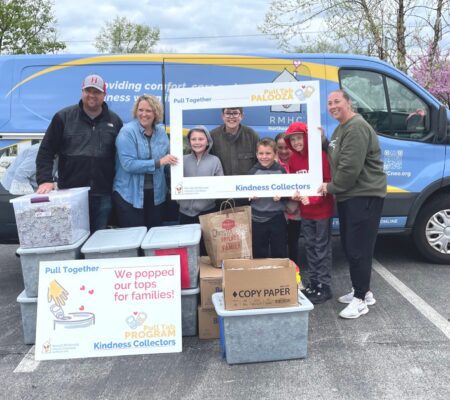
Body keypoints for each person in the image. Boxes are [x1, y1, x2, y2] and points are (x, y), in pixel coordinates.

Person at [318, 90, 387, 318]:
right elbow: (337, 154)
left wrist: (328, 187)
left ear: (349, 103)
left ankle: (360, 301)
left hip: (363, 195)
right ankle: (363, 291)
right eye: (329, 103)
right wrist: (324, 142)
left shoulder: (356, 127)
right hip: (351, 196)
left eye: (337, 101)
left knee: (358, 248)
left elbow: (349, 167)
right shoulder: (341, 128)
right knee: (353, 246)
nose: (333, 106)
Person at [36, 74, 123, 232]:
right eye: (88, 90)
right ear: (82, 92)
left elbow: (122, 157)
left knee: (99, 242)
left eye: (96, 92)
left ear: (104, 95)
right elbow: (46, 151)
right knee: (70, 238)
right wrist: (44, 180)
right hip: (70, 193)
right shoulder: (63, 117)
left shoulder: (115, 121)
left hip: (102, 194)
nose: (91, 95)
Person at [285, 122, 334, 304]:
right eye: (293, 139)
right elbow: (295, 183)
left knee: (322, 248)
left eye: (299, 138)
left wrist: (312, 199)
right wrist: (296, 194)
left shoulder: (320, 156)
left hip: (322, 210)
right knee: (310, 247)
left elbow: (327, 183)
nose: (296, 142)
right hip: (306, 212)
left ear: (307, 137)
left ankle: (324, 286)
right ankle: (314, 283)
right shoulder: (293, 159)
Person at [113, 94, 177, 229]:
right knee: (133, 238)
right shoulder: (127, 132)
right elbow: (128, 164)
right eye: (140, 110)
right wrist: (158, 163)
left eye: (148, 110)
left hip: (156, 195)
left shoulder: (161, 131)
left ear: (156, 113)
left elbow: (167, 159)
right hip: (130, 196)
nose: (144, 114)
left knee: (154, 238)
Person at [178, 125, 223, 255]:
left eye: (201, 139)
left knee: (205, 249)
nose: (197, 142)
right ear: (189, 141)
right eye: (194, 139)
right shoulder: (182, 160)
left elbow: (220, 184)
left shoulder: (215, 161)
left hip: (206, 212)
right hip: (185, 213)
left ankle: (205, 275)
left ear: (207, 141)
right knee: (187, 249)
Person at [248, 137, 287, 258]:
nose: (264, 156)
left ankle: (278, 275)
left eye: (268, 153)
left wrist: (282, 196)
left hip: (277, 217)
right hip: (256, 218)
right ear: (256, 154)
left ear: (275, 154)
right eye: (261, 153)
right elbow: (245, 193)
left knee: (279, 250)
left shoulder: (281, 171)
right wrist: (249, 197)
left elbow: (288, 192)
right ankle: (261, 275)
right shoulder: (252, 172)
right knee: (259, 251)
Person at [275, 132, 302, 266]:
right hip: (278, 209)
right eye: (280, 148)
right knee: (278, 242)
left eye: (287, 148)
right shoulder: (272, 163)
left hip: (295, 210)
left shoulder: (298, 162)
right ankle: (279, 270)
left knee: (293, 241)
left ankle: (294, 270)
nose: (284, 151)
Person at [210, 107, 259, 176]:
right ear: (222, 116)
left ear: (242, 116)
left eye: (235, 113)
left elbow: (259, 162)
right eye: (228, 113)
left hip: (245, 185)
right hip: (222, 184)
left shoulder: (252, 135)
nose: (231, 117)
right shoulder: (213, 136)